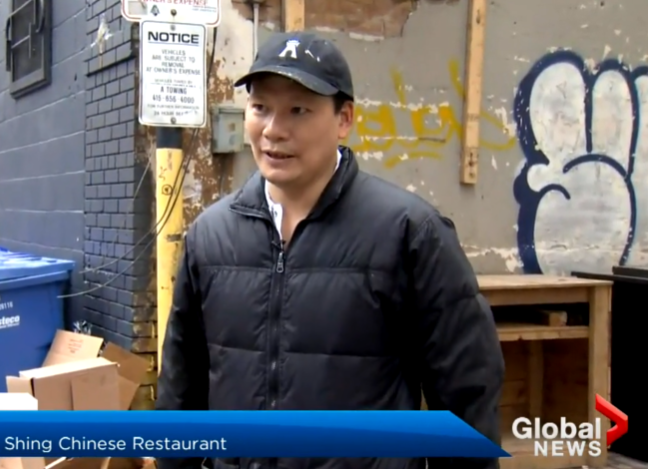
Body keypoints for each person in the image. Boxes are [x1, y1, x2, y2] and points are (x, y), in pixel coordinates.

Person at [156, 31, 505, 469]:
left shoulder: (409, 233)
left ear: (344, 119)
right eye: (260, 108)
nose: (273, 130)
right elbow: (181, 389)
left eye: (298, 110)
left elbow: (466, 393)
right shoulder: (210, 236)